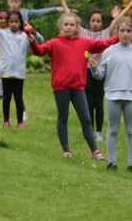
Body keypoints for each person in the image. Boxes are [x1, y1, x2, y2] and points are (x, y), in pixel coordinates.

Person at [29, 12, 118, 159]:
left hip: (78, 87)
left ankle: (95, 151)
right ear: (61, 26)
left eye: (72, 25)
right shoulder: (54, 43)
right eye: (66, 24)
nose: (69, 27)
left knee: (86, 119)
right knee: (63, 118)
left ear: (77, 27)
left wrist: (118, 37)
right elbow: (39, 51)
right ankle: (66, 150)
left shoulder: (84, 43)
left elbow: (103, 44)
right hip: (61, 87)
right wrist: (32, 41)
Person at [61, 0, 132, 142]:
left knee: (99, 102)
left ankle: (99, 132)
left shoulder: (105, 33)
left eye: (98, 21)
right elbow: (70, 15)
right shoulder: (83, 33)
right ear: (89, 22)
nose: (95, 23)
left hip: (101, 72)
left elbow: (118, 19)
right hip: (85, 72)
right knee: (88, 102)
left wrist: (130, 5)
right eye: (93, 20)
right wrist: (62, 1)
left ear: (102, 23)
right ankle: (90, 131)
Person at [90, 16, 132, 171]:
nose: (126, 34)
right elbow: (100, 75)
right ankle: (111, 163)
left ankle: (130, 164)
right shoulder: (108, 52)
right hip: (112, 96)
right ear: (117, 32)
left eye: (129, 31)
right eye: (122, 31)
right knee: (112, 130)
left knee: (131, 131)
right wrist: (94, 69)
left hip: (130, 97)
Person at [0, 11, 29, 128]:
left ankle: (20, 122)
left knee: (18, 98)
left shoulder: (24, 35)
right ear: (8, 23)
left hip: (19, 73)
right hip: (6, 72)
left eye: (16, 22)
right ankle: (6, 121)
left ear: (20, 23)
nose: (13, 24)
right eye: (11, 21)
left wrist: (32, 30)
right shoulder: (1, 33)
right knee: (6, 98)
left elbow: (40, 40)